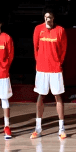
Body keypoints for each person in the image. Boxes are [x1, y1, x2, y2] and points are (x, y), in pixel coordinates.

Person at [32, 11, 69, 140]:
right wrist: (40, 62)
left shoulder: (60, 30)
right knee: (40, 96)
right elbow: (35, 48)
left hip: (55, 69)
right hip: (42, 69)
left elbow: (63, 49)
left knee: (58, 96)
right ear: (44, 18)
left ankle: (61, 129)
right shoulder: (38, 29)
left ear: (53, 18)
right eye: (46, 17)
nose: (48, 19)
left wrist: (58, 62)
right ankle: (38, 128)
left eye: (50, 17)